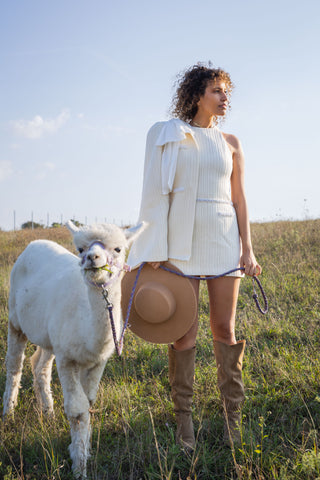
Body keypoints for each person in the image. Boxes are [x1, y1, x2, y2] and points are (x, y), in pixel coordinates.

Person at [127, 63, 262, 449]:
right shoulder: (171, 134)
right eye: (217, 91)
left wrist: (247, 249)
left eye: (226, 92)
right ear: (197, 95)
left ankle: (231, 420)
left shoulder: (233, 142)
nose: (225, 98)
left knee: (225, 329)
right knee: (183, 332)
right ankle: (184, 424)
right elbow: (154, 192)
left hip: (222, 239)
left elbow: (239, 199)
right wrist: (153, 246)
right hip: (181, 242)